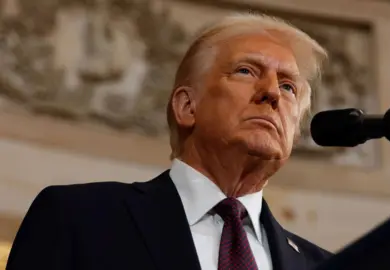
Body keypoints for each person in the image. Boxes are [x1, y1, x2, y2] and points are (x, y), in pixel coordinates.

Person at [7, 13, 331, 270]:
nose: (272, 92)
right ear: (187, 107)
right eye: (246, 71)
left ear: (295, 132)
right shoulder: (80, 219)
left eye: (289, 87)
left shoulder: (324, 266)